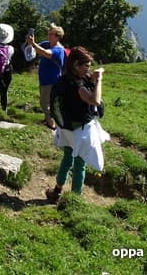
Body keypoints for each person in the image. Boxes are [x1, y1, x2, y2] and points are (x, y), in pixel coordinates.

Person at [47, 46, 109, 202]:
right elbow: (94, 100)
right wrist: (99, 81)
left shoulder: (65, 79)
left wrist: (91, 78)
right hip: (80, 130)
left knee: (67, 158)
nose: (88, 69)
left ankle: (57, 191)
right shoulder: (77, 85)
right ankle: (74, 199)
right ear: (76, 64)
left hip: (66, 127)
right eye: (86, 65)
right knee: (80, 163)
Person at [26, 23, 66, 129]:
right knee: (48, 103)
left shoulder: (58, 50)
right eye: (48, 33)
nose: (48, 36)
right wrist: (30, 43)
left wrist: (33, 43)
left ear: (58, 36)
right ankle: (50, 120)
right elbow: (36, 49)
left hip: (51, 81)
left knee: (44, 103)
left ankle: (51, 124)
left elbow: (45, 53)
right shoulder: (47, 44)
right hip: (44, 79)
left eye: (51, 34)